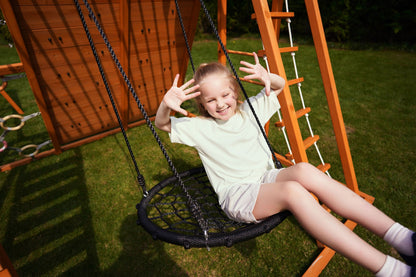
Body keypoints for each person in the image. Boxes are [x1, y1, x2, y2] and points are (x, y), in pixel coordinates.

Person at [155, 53, 415, 276]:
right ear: (201, 103)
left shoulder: (251, 110)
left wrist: (270, 77)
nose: (220, 103)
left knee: (303, 169)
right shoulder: (201, 128)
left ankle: (403, 238)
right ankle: (392, 271)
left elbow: (280, 86)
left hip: (266, 178)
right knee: (293, 191)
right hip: (238, 195)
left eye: (225, 95)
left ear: (234, 91)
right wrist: (166, 106)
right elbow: (162, 124)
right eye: (211, 100)